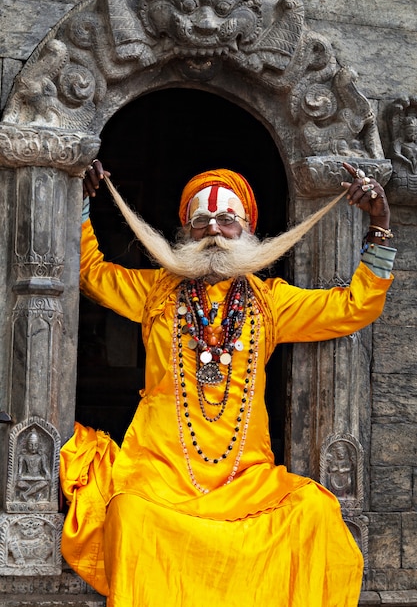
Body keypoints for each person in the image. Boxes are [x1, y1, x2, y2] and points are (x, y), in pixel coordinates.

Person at [60, 160, 395, 607]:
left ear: (248, 230)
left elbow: (353, 307)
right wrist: (81, 202)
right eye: (201, 221)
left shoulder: (270, 302)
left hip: (244, 478)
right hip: (160, 472)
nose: (213, 230)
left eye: (226, 220)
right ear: (185, 231)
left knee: (314, 512)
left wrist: (380, 223)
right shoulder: (157, 290)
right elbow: (90, 273)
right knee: (130, 514)